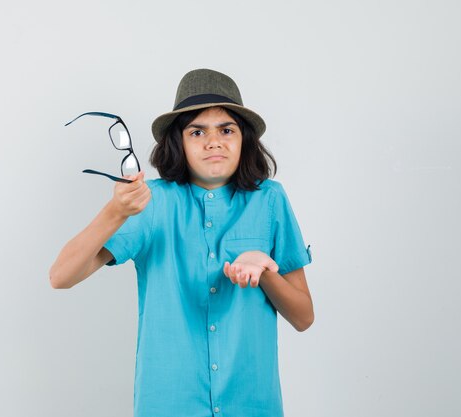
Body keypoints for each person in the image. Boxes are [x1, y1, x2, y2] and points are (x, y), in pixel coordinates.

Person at [49, 68, 314, 417]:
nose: (213, 141)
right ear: (179, 141)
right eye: (197, 131)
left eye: (227, 129)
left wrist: (265, 272)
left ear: (244, 139)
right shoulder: (153, 203)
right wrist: (114, 212)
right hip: (169, 402)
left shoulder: (270, 200)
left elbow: (303, 316)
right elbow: (61, 276)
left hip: (252, 402)